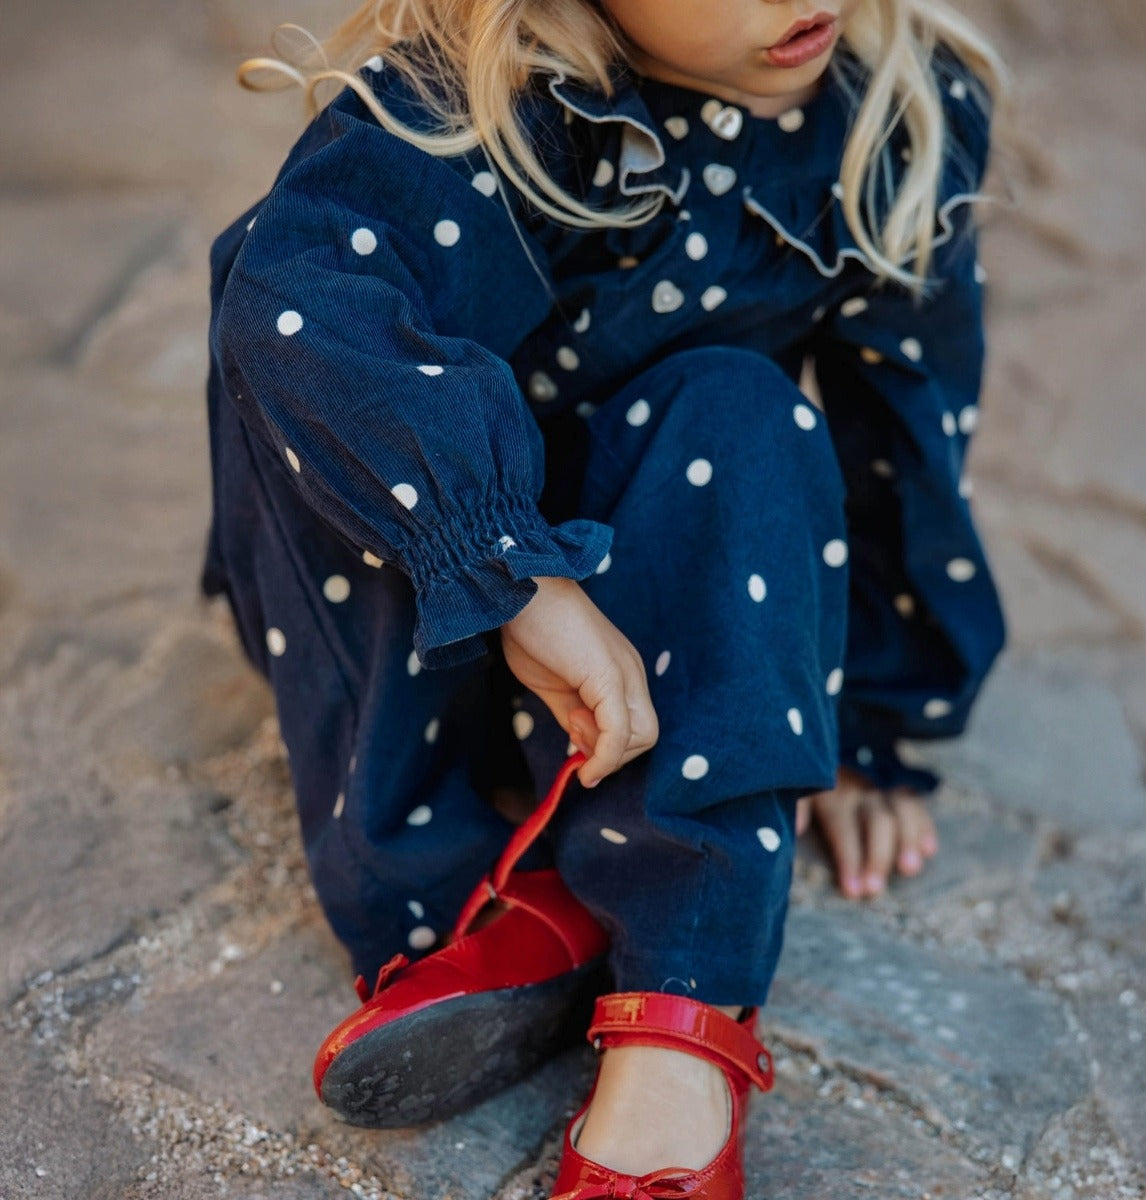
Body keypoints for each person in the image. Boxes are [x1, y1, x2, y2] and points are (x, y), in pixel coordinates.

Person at [199, 0, 1008, 1193]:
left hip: (662, 625)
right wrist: (503, 566)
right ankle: (472, 894)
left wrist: (878, 722)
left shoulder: (887, 113)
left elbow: (904, 438)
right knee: (306, 333)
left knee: (741, 409)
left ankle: (680, 1000)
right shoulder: (476, 104)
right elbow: (292, 302)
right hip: (429, 630)